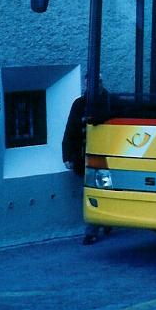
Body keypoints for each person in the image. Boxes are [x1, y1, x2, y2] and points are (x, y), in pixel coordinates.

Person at [62, 93, 110, 245]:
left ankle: (96, 228)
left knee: (97, 192)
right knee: (90, 194)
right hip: (84, 158)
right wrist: (67, 155)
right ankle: (98, 226)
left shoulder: (108, 101)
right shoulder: (80, 104)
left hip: (101, 158)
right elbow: (71, 129)